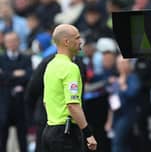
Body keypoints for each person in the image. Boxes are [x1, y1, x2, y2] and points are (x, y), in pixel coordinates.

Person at [42, 24, 97, 152]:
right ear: (67, 42)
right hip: (65, 134)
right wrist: (88, 133)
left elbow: (46, 101)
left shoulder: (50, 65)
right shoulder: (70, 68)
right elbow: (72, 104)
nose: (80, 41)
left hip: (49, 131)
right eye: (77, 38)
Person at [0, 32, 32, 152]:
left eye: (14, 41)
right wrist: (16, 74)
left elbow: (29, 76)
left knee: (22, 138)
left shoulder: (26, 58)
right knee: (2, 138)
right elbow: (2, 78)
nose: (12, 44)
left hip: (21, 104)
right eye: (9, 41)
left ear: (18, 42)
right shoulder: (1, 58)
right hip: (4, 104)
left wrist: (8, 75)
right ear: (5, 43)